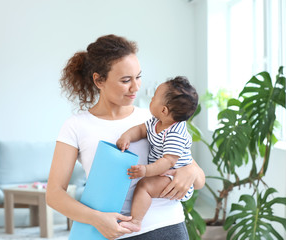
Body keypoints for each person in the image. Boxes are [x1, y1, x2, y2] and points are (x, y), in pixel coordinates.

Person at [46, 34, 205, 240]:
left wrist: (190, 170)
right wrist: (96, 218)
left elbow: (198, 179)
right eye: (125, 80)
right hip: (113, 232)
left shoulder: (155, 119)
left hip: (167, 227)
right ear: (99, 80)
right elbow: (54, 194)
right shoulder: (76, 126)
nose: (136, 87)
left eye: (138, 76)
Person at [116, 76, 198, 232]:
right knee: (145, 184)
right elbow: (141, 130)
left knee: (144, 186)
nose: (151, 99)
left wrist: (146, 170)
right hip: (164, 173)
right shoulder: (156, 121)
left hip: (174, 177)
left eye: (153, 98)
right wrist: (126, 136)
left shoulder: (175, 133)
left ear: (164, 110)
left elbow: (167, 162)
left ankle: (136, 221)